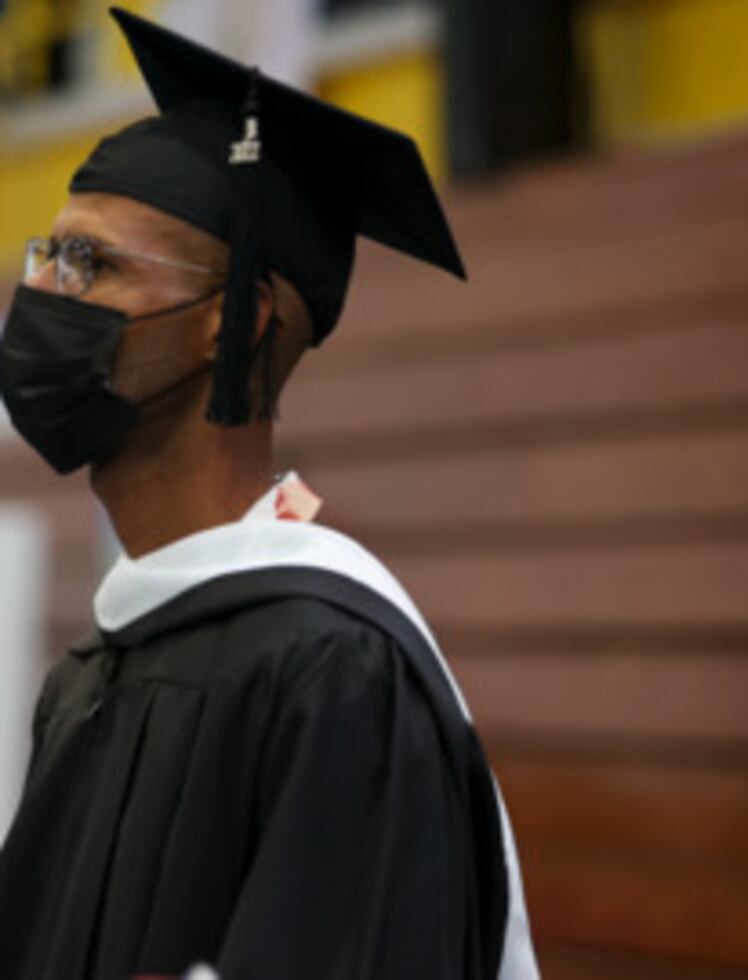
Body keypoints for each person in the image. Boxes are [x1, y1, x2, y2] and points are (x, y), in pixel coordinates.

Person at [0, 8, 538, 980]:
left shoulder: (335, 675)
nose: (44, 294)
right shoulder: (90, 671)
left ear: (232, 322)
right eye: (48, 254)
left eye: (95, 265)